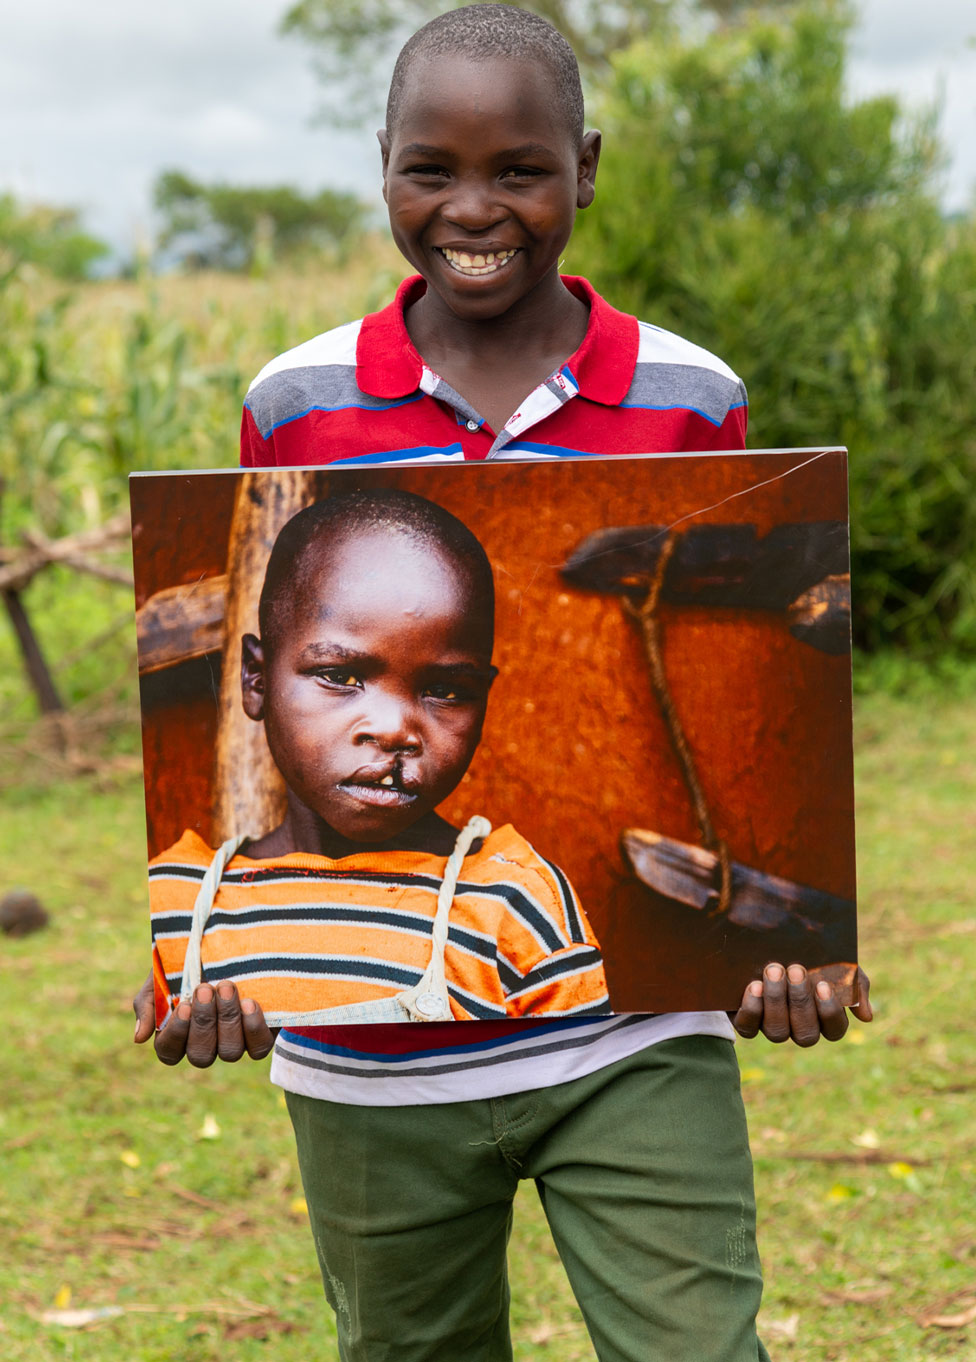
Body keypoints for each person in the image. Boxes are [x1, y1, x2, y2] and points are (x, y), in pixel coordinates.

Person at [134, 9, 872, 1359]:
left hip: (633, 1041)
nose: (474, 208)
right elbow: (270, 662)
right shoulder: (296, 402)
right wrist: (206, 979)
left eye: (520, 169)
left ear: (583, 168)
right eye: (433, 169)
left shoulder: (688, 393)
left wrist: (780, 955)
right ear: (383, 169)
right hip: (367, 1073)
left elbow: (745, 689)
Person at [148, 489, 610, 1028]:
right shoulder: (172, 907)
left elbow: (580, 1082)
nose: (394, 731)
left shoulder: (515, 906)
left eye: (446, 690)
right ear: (256, 680)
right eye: (340, 677)